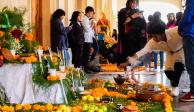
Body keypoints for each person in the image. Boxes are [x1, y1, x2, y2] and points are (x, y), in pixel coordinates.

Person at [120, 23, 185, 97]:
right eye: (152, 36)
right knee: (168, 71)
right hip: (169, 53)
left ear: (162, 33)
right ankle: (174, 84)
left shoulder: (175, 31)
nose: (154, 39)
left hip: (181, 50)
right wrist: (129, 61)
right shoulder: (152, 42)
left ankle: (175, 87)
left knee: (178, 66)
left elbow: (188, 30)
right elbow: (143, 51)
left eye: (155, 36)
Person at [117, 0, 147, 64]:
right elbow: (122, 23)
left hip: (137, 37)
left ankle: (134, 70)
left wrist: (142, 18)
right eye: (133, 2)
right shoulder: (123, 11)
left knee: (136, 55)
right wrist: (132, 16)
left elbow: (144, 25)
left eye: (136, 3)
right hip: (127, 37)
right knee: (126, 54)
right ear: (129, 3)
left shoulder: (138, 11)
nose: (134, 4)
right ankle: (125, 68)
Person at [178, 0, 194, 102]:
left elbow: (187, 16)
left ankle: (193, 92)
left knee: (191, 63)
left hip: (190, 33)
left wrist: (180, 27)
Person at [82, 6, 95, 73]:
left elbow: (90, 31)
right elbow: (87, 30)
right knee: (86, 55)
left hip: (88, 39)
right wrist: (92, 25)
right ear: (88, 12)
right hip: (86, 40)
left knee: (87, 54)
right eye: (91, 13)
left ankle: (86, 68)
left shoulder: (87, 19)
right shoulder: (84, 19)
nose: (91, 14)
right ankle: (85, 69)